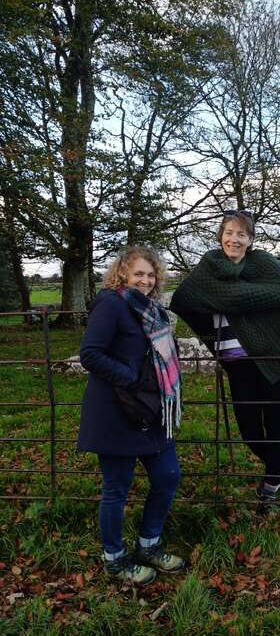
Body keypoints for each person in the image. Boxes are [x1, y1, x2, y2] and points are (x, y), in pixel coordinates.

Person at [170, 210, 280, 506]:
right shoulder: (208, 267)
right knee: (248, 429)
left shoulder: (263, 263)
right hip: (235, 361)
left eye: (241, 234)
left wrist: (234, 298)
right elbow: (182, 300)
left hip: (273, 356)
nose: (234, 239)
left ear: (250, 239)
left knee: (275, 423)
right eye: (229, 232)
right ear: (221, 235)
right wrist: (211, 338)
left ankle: (270, 486)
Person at [78, 246, 185, 584]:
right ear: (123, 272)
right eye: (139, 273)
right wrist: (131, 379)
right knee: (117, 487)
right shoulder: (111, 303)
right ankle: (115, 558)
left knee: (167, 475)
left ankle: (148, 545)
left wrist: (148, 385)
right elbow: (90, 354)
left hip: (151, 409)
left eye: (151, 275)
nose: (145, 280)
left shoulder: (152, 309)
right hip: (116, 410)